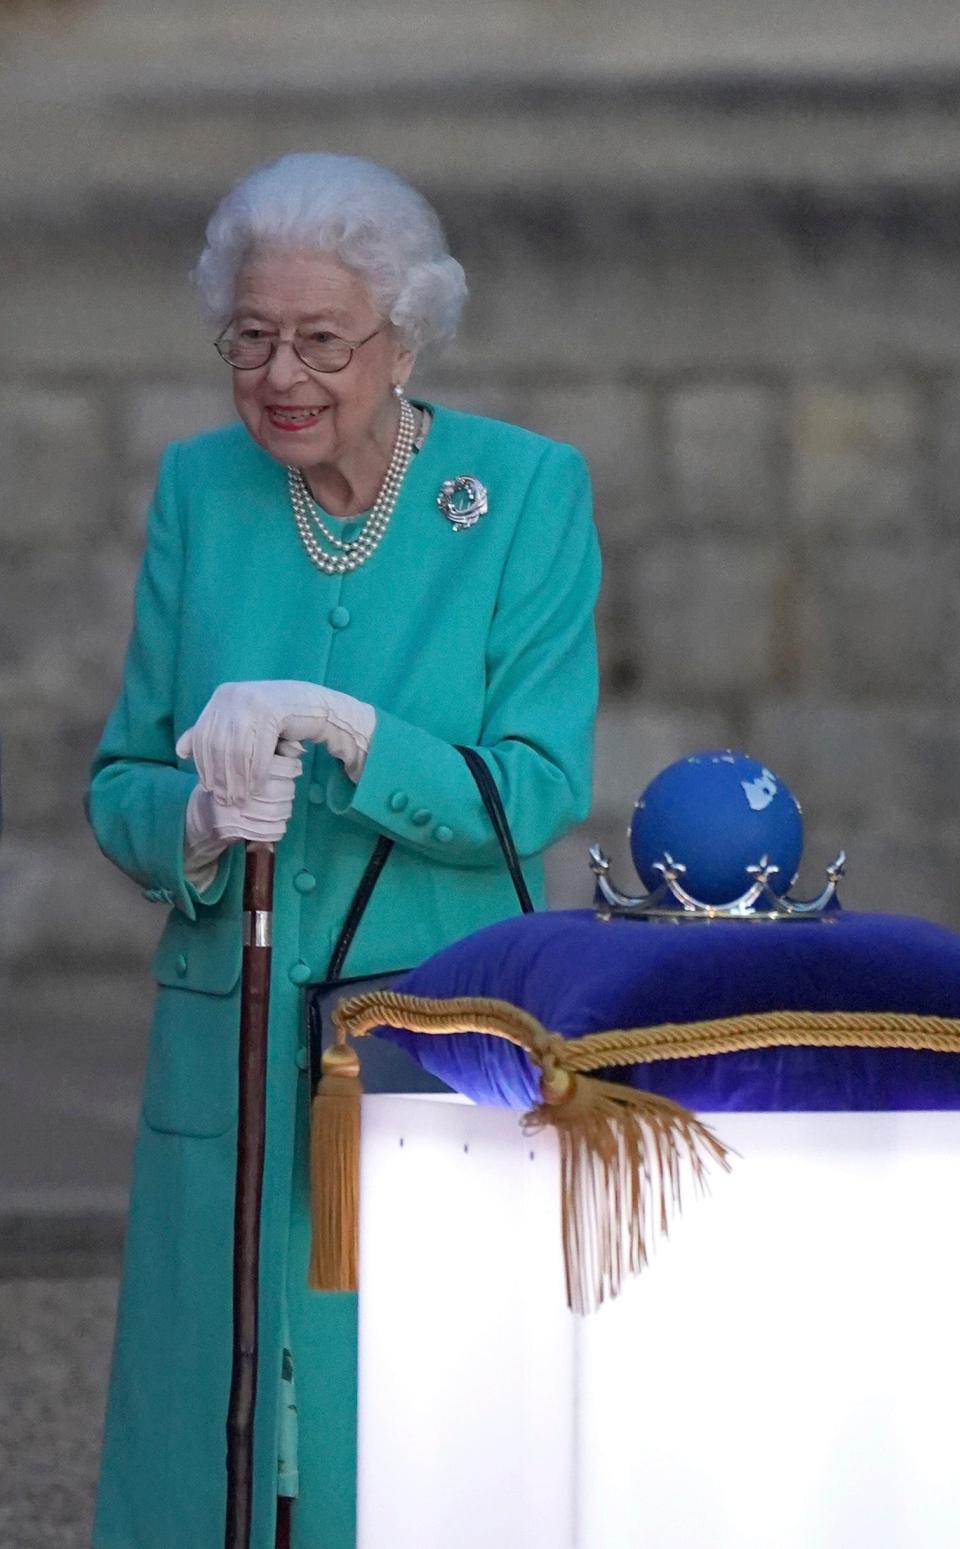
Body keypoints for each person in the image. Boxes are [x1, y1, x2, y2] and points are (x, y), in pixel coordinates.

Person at [87, 151, 600, 1549]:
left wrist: (355, 733)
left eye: (321, 340)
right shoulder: (203, 490)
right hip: (230, 1039)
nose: (280, 374)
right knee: (216, 1418)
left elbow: (537, 787)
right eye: (250, 338)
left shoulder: (523, 495)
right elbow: (123, 771)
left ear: (403, 337)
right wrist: (189, 822)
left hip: (424, 1038)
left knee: (407, 1414)